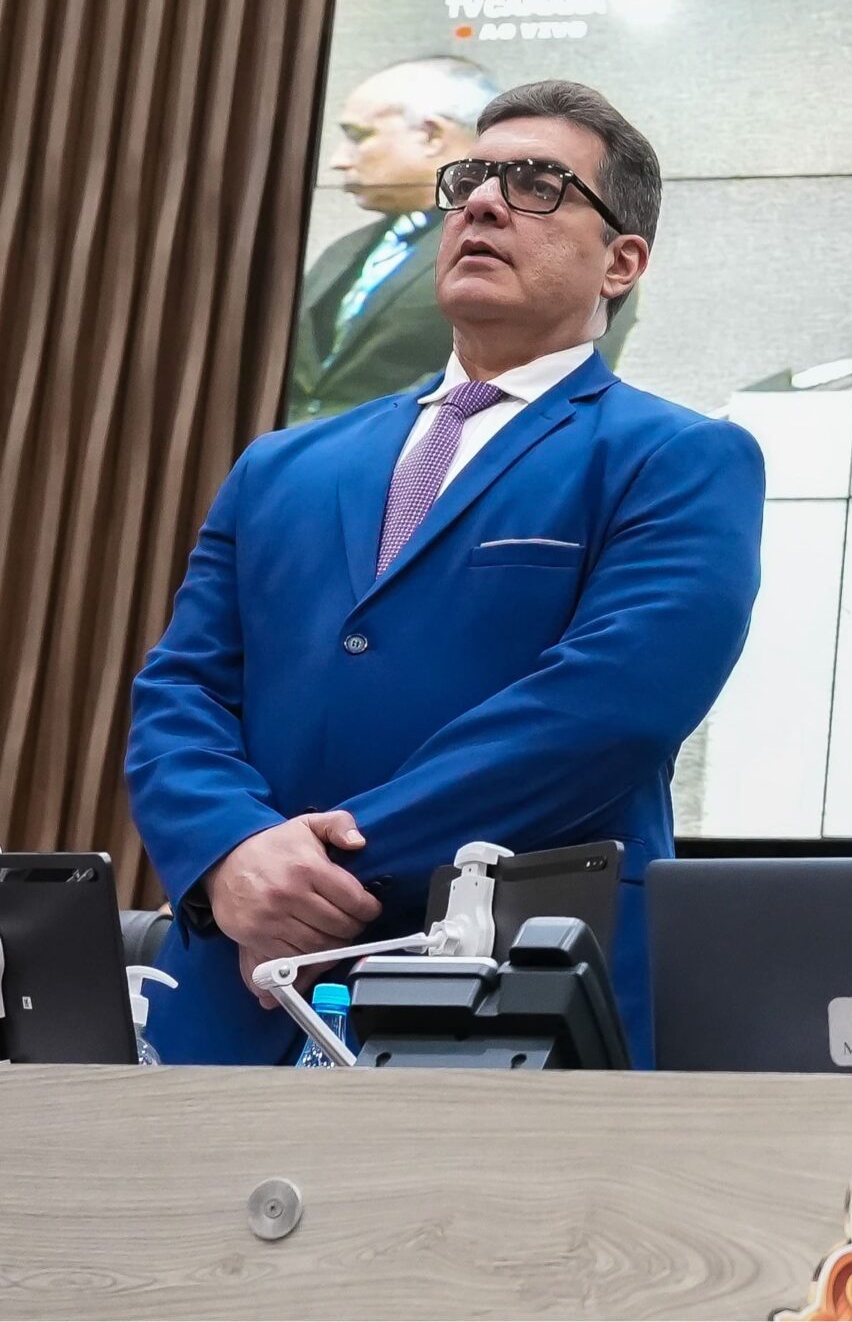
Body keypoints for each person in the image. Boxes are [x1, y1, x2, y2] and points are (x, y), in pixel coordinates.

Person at [127, 80, 764, 1065]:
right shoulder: (282, 466)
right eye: (470, 180)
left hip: (516, 982)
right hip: (240, 993)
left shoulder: (677, 458)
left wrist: (318, 869)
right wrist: (230, 852)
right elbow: (182, 692)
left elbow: (606, 711)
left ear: (622, 262)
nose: (483, 203)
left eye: (538, 186)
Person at [289, 57, 636, 425]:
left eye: (359, 135)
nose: (338, 161)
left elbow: (559, 380)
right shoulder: (344, 252)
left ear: (431, 135)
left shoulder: (579, 255)